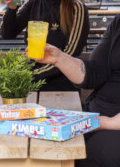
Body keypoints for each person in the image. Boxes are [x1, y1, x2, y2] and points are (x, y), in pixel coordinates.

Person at [36, 14, 120, 167]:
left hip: (110, 127)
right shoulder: (118, 22)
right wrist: (59, 59)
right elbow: (95, 71)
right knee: (40, 143)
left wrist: (106, 123)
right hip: (95, 117)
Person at [0, 0, 89, 91]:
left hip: (60, 84)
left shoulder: (76, 7)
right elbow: (7, 33)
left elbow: (70, 55)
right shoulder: (34, 1)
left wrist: (26, 76)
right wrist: (11, 9)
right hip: (30, 80)